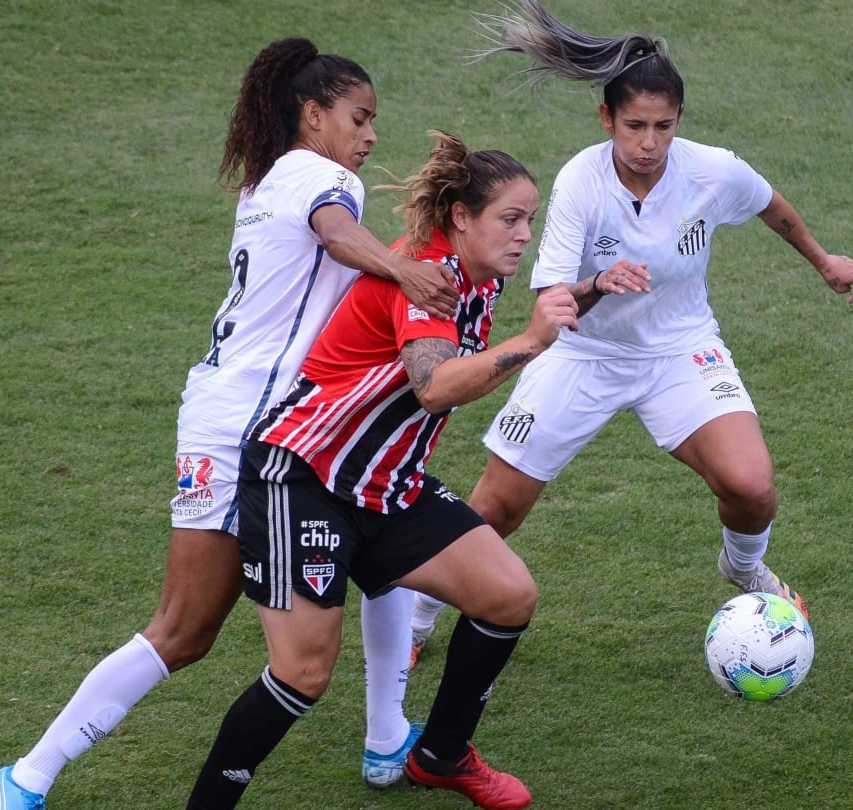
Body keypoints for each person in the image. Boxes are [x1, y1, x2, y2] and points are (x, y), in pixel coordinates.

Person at [0, 37, 462, 810]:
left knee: (382, 528)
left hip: (250, 416)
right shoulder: (318, 174)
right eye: (359, 118)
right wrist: (406, 269)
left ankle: (384, 737)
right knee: (185, 629)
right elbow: (336, 233)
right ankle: (26, 776)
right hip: (253, 429)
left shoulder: (264, 182)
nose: (371, 138)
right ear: (313, 114)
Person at [409, 0, 853, 661]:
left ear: (679, 121)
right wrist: (598, 284)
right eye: (634, 126)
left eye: (663, 126)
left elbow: (769, 205)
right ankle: (418, 617)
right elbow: (551, 309)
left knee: (752, 487)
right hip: (582, 356)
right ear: (606, 119)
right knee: (498, 508)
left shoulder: (711, 170)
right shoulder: (579, 184)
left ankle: (742, 570)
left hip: (680, 350)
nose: (648, 142)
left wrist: (825, 261)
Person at [183, 131, 576, 810]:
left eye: (531, 220)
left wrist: (596, 287)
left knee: (508, 594)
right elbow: (434, 385)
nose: (525, 235)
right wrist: (532, 342)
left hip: (385, 488)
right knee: (303, 673)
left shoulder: (479, 278)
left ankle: (441, 754)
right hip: (303, 478)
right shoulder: (426, 275)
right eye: (511, 219)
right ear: (462, 218)